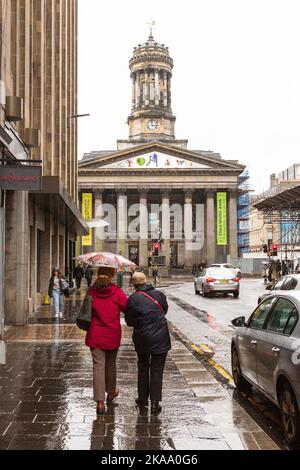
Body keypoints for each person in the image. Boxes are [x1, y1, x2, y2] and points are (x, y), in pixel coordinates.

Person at [84, 266, 128, 415]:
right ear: (112, 275)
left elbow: (85, 311)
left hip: (95, 334)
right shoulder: (116, 292)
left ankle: (100, 402)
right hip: (112, 334)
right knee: (111, 365)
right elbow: (127, 308)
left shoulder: (91, 291)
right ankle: (111, 392)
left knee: (98, 367)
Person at [125, 272, 171, 415]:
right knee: (157, 370)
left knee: (143, 368)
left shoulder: (133, 299)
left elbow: (129, 321)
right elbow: (165, 310)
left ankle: (143, 399)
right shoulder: (159, 294)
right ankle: (155, 403)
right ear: (146, 281)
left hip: (143, 338)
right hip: (161, 337)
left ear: (134, 284)